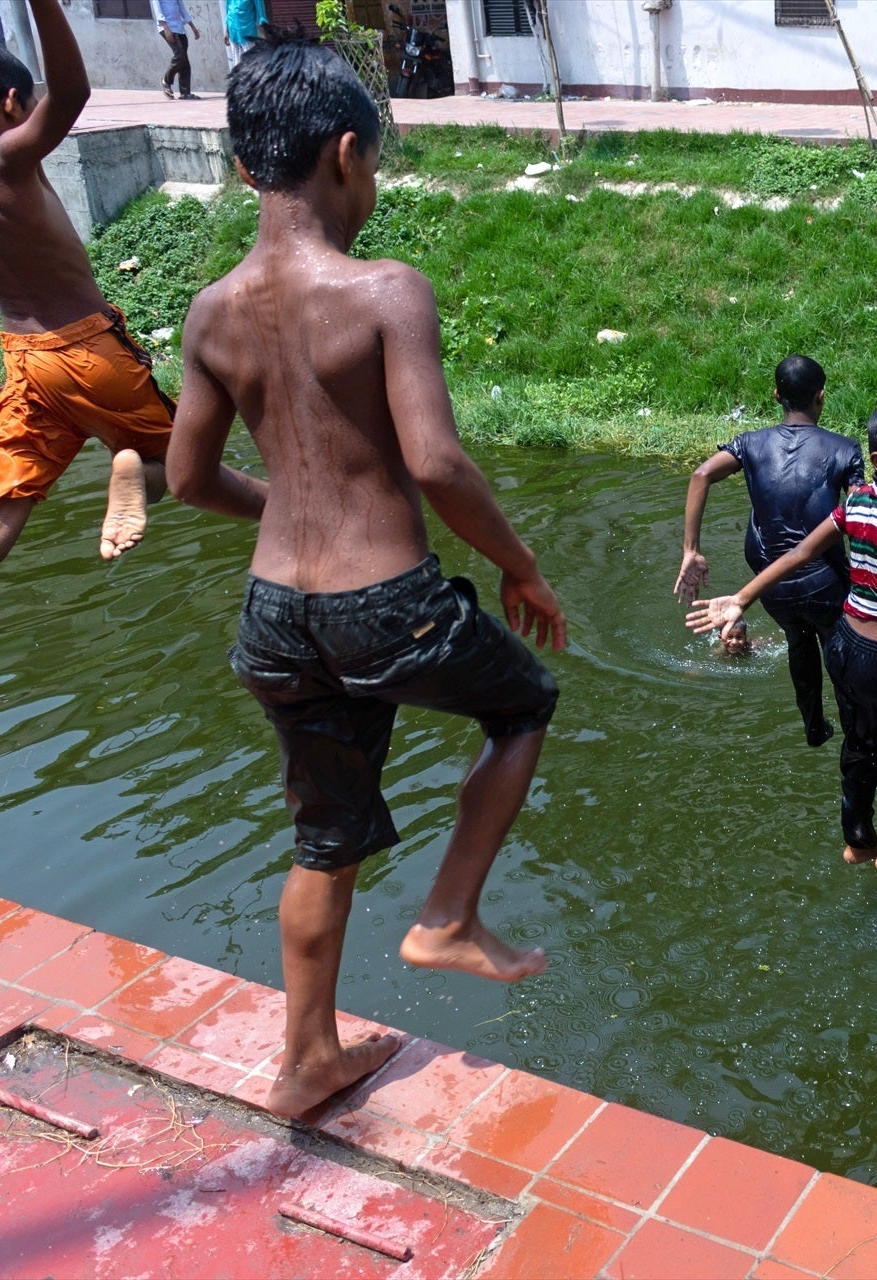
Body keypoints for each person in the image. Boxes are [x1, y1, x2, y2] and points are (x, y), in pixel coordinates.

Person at [165, 32, 565, 1117]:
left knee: (325, 832)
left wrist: (287, 506)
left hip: (273, 620)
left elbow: (187, 476)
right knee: (525, 701)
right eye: (374, 164)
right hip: (385, 608)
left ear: (246, 168)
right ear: (348, 154)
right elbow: (435, 461)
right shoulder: (385, 290)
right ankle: (448, 916)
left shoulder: (209, 311)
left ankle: (307, 1057)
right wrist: (521, 569)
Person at [0, 0, 192, 606]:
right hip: (87, 350)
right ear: (13, 103)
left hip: (23, 366)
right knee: (183, 461)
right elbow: (74, 90)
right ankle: (134, 475)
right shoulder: (11, 158)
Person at [688, 401, 877, 875]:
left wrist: (744, 596)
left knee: (862, 742)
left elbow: (802, 551)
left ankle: (858, 841)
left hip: (845, 646)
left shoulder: (859, 499)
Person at [675, 355, 862, 747]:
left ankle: (813, 724)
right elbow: (859, 516)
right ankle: (855, 731)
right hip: (825, 578)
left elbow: (701, 474)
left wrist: (691, 550)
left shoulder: (750, 443)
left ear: (776, 395)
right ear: (821, 397)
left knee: (798, 639)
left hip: (768, 582)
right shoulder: (845, 450)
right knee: (837, 645)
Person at [156, 0, 202, 100]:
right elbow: (157, 10)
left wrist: (193, 27)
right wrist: (165, 28)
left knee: (184, 60)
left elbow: (182, 9)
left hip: (179, 27)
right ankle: (166, 80)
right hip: (168, 28)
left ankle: (185, 93)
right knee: (180, 56)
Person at [223, 0, 267, 67]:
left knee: (251, 65)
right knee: (236, 66)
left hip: (247, 34)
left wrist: (264, 33)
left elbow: (261, 15)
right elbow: (228, 11)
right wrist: (226, 31)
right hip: (233, 34)